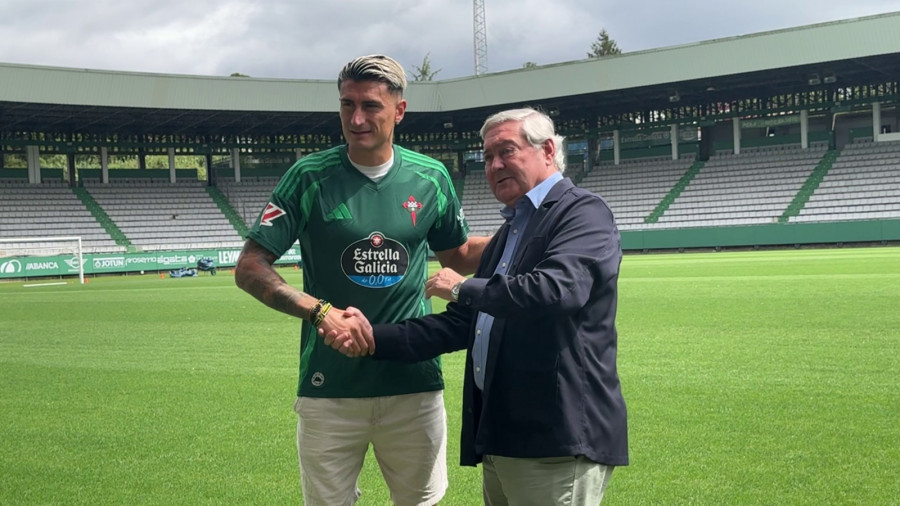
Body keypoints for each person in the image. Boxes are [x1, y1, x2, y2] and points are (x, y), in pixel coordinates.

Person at [325, 107, 628, 505]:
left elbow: (556, 291)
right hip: (505, 433)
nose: (495, 165)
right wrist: (369, 337)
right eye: (486, 157)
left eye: (507, 151)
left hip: (557, 437)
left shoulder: (582, 212)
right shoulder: (511, 231)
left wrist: (463, 286)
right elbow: (458, 326)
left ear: (548, 150)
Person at [234, 54, 490, 506]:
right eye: (347, 104)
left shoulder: (431, 178)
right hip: (330, 385)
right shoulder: (308, 177)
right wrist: (319, 312)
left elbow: (459, 255)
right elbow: (250, 266)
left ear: (399, 111)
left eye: (371, 106)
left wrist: (531, 231)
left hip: (413, 382)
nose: (356, 118)